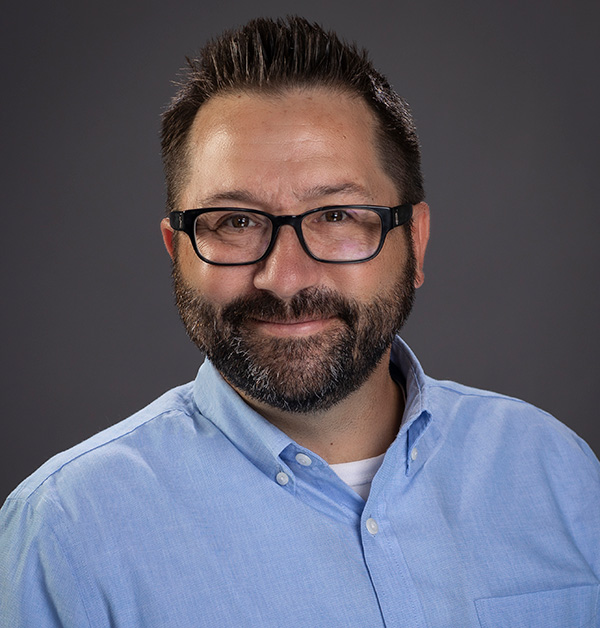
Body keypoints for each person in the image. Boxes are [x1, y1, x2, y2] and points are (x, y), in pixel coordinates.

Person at [1, 16, 598, 628]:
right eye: (234, 222)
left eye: (337, 215)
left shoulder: (558, 474)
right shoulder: (64, 535)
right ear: (176, 250)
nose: (284, 278)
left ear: (414, 242)